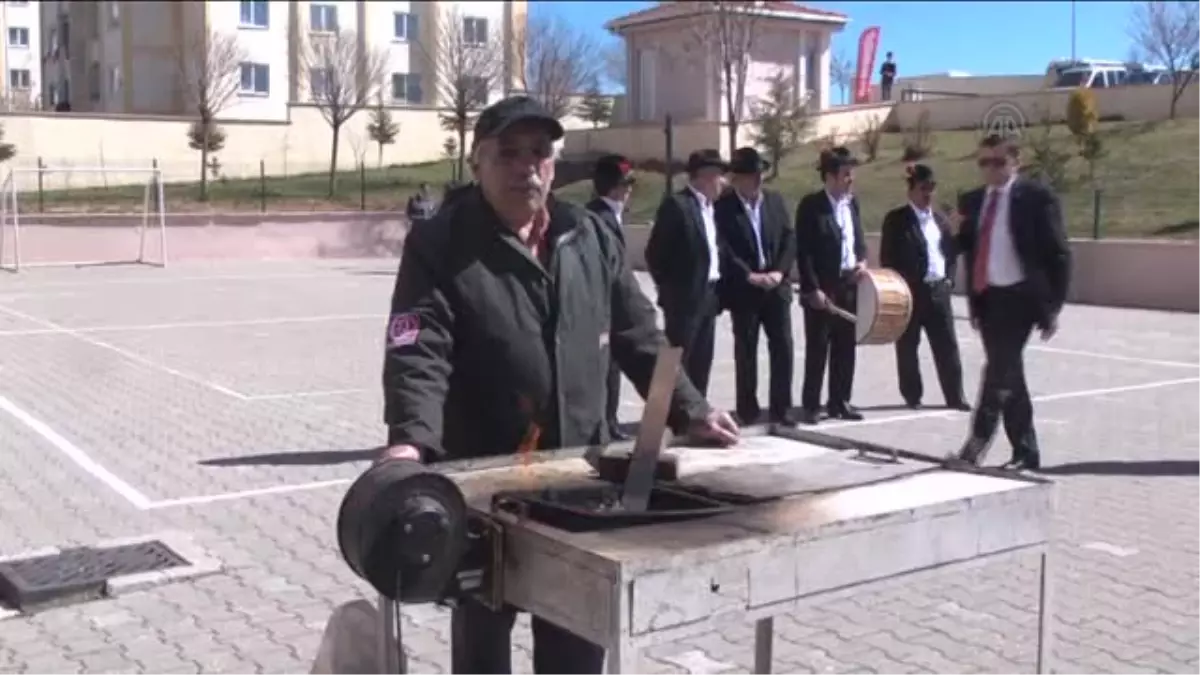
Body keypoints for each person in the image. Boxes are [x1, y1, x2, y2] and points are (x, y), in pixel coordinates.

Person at [376, 95, 740, 675]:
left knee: (576, 642)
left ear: (554, 164)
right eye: (509, 153)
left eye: (540, 154)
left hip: (580, 482)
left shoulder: (589, 235)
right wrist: (409, 441)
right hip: (485, 485)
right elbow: (418, 350)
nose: (527, 166)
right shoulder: (441, 243)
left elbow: (638, 334)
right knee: (482, 638)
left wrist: (690, 408)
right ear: (477, 162)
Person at [950, 134, 1071, 471]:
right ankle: (1026, 452)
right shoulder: (972, 201)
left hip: (1021, 298)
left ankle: (975, 445)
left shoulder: (1035, 197)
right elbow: (966, 247)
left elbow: (1058, 253)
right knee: (1009, 376)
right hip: (989, 298)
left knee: (998, 371)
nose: (990, 169)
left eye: (998, 162)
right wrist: (952, 233)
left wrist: (1052, 307)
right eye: (984, 162)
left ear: (1015, 162)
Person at [714, 147, 797, 426]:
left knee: (783, 347)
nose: (758, 180)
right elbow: (723, 248)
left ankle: (782, 408)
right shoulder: (723, 207)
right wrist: (748, 275)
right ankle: (747, 409)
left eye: (760, 174)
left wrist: (779, 272)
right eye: (752, 175)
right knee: (746, 350)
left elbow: (788, 238)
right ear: (737, 178)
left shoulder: (774, 201)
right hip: (745, 289)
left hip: (775, 286)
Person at [879, 164, 971, 412]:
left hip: (938, 291)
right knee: (908, 347)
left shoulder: (940, 220)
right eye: (923, 189)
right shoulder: (897, 220)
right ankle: (912, 395)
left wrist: (949, 279)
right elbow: (887, 258)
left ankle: (955, 396)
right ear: (911, 191)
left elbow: (950, 253)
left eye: (931, 189)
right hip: (910, 293)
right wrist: (899, 288)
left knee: (947, 346)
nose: (928, 194)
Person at [644, 149, 728, 397]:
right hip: (683, 300)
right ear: (704, 176)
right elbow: (655, 254)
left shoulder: (712, 209)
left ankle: (697, 417)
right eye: (719, 176)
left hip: (709, 295)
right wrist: (671, 292)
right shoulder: (678, 206)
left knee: (702, 362)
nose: (722, 182)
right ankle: (663, 420)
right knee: (675, 362)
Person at [794, 147, 867, 425]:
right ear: (830, 176)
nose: (851, 179)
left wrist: (861, 261)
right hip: (823, 287)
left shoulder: (852, 204)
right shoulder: (812, 206)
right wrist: (813, 289)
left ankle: (840, 400)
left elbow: (857, 239)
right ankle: (811, 404)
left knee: (845, 345)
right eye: (846, 174)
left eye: (852, 174)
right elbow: (805, 252)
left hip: (850, 283)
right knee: (818, 346)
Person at [585, 153, 637, 441]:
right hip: (603, 308)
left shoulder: (606, 215)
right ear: (613, 188)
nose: (628, 191)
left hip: (607, 307)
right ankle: (606, 423)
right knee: (606, 370)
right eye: (625, 185)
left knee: (612, 370)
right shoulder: (598, 218)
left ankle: (610, 421)